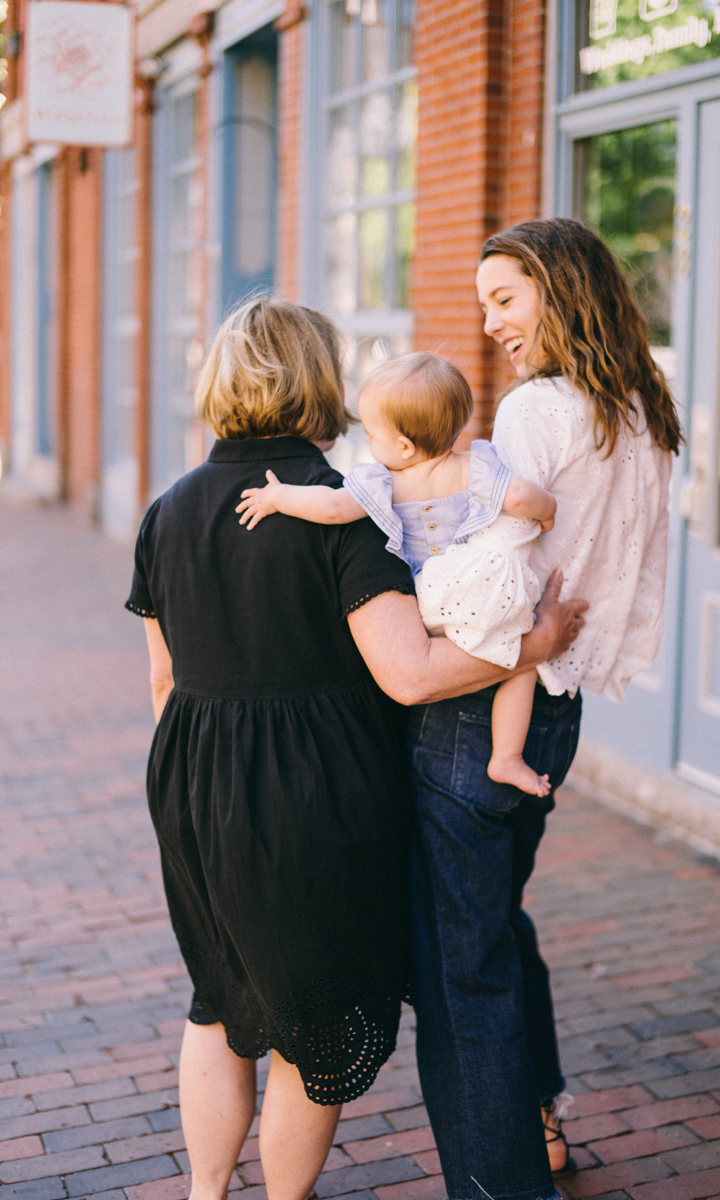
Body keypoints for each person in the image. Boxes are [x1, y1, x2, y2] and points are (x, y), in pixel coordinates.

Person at [125, 296, 587, 1200]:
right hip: (313, 798)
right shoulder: (345, 514)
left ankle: (205, 1193)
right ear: (319, 382)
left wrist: (204, 791)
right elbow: (411, 674)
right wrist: (532, 646)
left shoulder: (168, 510)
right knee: (313, 1025)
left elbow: (162, 682)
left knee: (218, 1005)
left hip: (192, 788)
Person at [404, 218, 682, 1200]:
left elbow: (498, 572)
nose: (488, 325)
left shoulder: (533, 411)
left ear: (558, 291)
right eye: (483, 304)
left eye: (504, 299)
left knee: (458, 961)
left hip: (484, 701)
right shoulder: (641, 412)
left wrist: (425, 585)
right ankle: (538, 1113)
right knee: (496, 922)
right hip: (553, 716)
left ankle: (503, 1182)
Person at [236, 351, 557, 797]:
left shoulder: (381, 482)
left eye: (371, 433)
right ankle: (507, 756)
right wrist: (547, 514)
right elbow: (522, 496)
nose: (368, 442)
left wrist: (278, 497)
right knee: (521, 662)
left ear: (403, 447)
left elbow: (331, 508)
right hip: (476, 591)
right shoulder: (475, 466)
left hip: (426, 599)